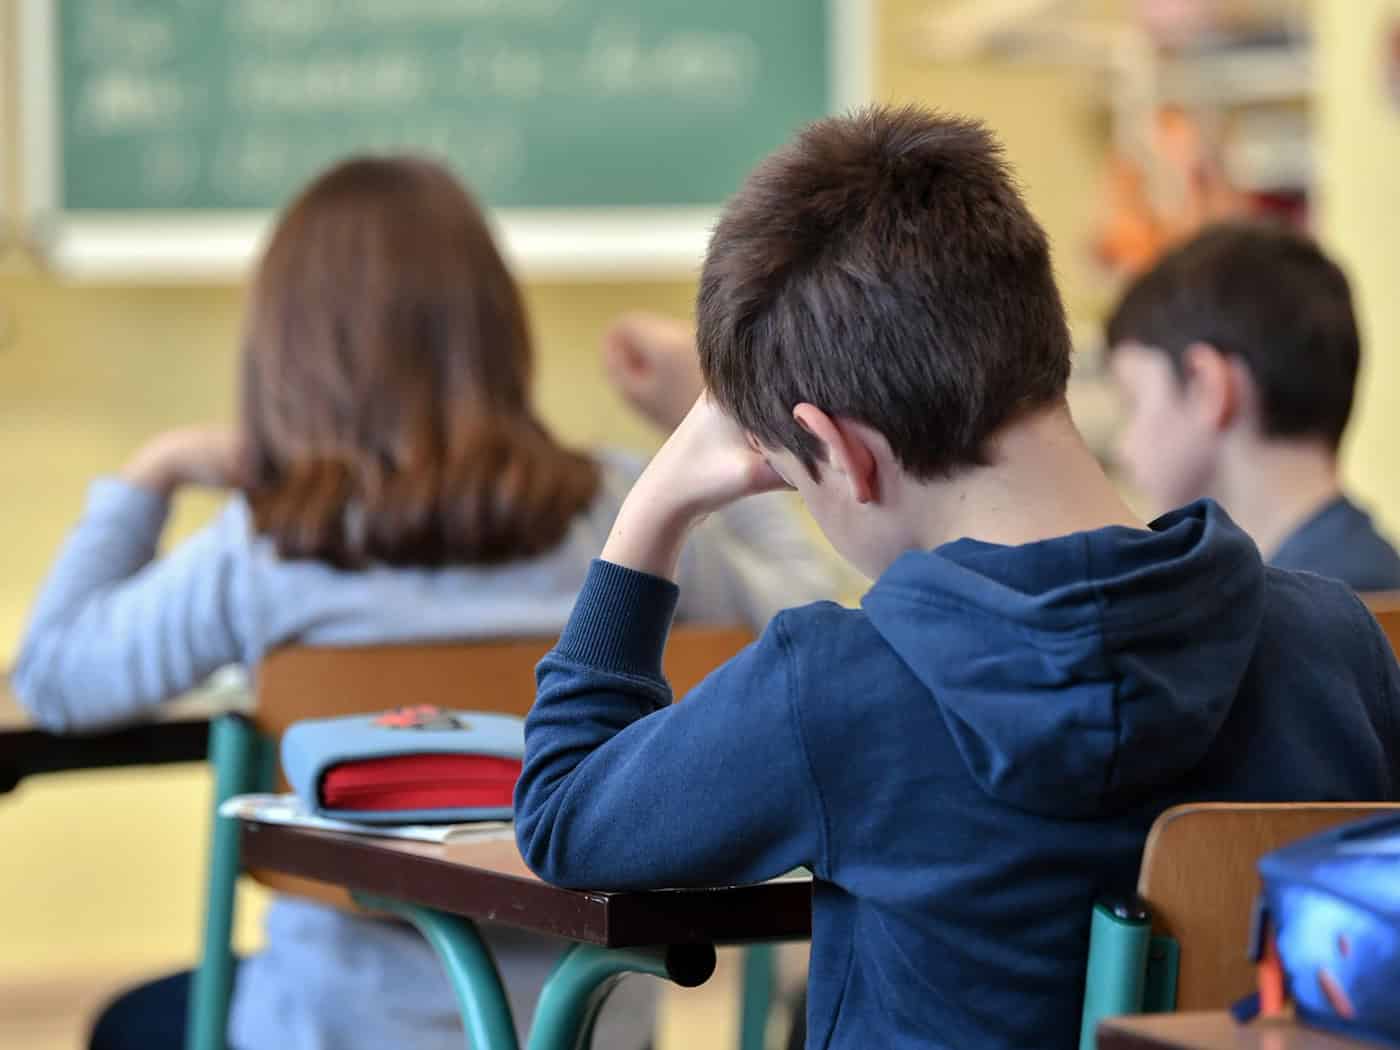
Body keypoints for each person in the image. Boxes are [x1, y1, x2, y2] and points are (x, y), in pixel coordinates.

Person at [513, 107, 1400, 1050]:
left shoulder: (835, 687)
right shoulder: (1337, 646)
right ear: (1043, 339)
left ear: (841, 455)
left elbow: (564, 811)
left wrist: (654, 508)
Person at [12, 156, 841, 1050]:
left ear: (285, 349)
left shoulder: (267, 545)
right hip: (585, 1027)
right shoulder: (619, 513)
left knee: (131, 1024)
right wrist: (701, 414)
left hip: (330, 1030)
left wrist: (153, 474)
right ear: (494, 330)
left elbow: (56, 675)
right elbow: (796, 620)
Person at [1105, 222, 1400, 592]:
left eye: (1132, 401)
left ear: (1206, 386)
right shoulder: (1367, 572)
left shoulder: (1291, 619)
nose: (1123, 448)